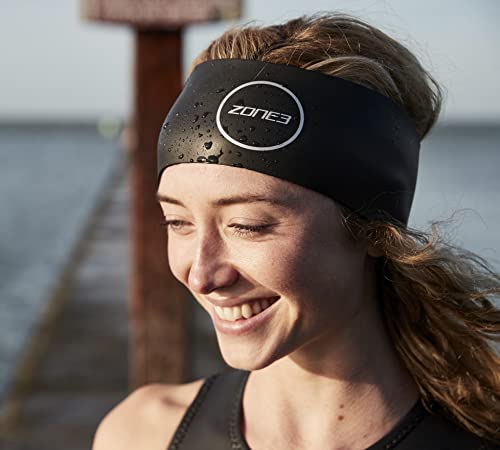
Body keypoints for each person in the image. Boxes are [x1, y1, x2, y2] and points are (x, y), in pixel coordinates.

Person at [92, 12, 500, 450]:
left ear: (373, 230)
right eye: (179, 222)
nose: (202, 275)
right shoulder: (140, 435)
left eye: (247, 226)